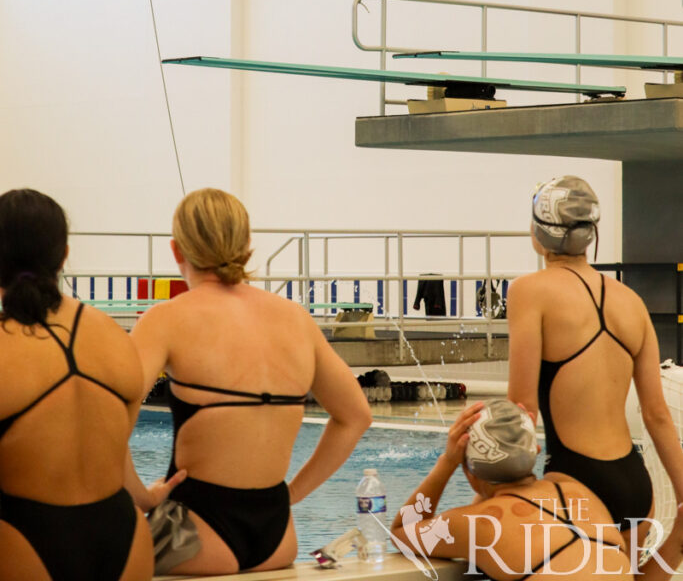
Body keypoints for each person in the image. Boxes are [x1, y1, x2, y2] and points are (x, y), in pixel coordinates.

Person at [125, 187, 372, 576]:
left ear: (177, 251)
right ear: (246, 245)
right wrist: (290, 496)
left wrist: (142, 496)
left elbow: (108, 420)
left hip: (196, 534)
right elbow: (356, 416)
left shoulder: (165, 318)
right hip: (277, 535)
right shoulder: (295, 318)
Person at [506, 175, 683, 559]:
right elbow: (657, 415)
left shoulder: (528, 291)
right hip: (635, 484)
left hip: (575, 480)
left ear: (539, 232)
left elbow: (520, 410)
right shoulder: (631, 300)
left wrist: (501, 495)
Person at [0, 188, 154, 581]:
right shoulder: (113, 337)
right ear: (65, 254)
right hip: (125, 537)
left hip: (21, 539)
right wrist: (151, 498)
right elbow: (116, 450)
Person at [390, 399, 683, 580]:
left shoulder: (482, 523)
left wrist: (447, 461)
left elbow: (404, 531)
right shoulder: (579, 494)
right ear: (536, 452)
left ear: (468, 470)